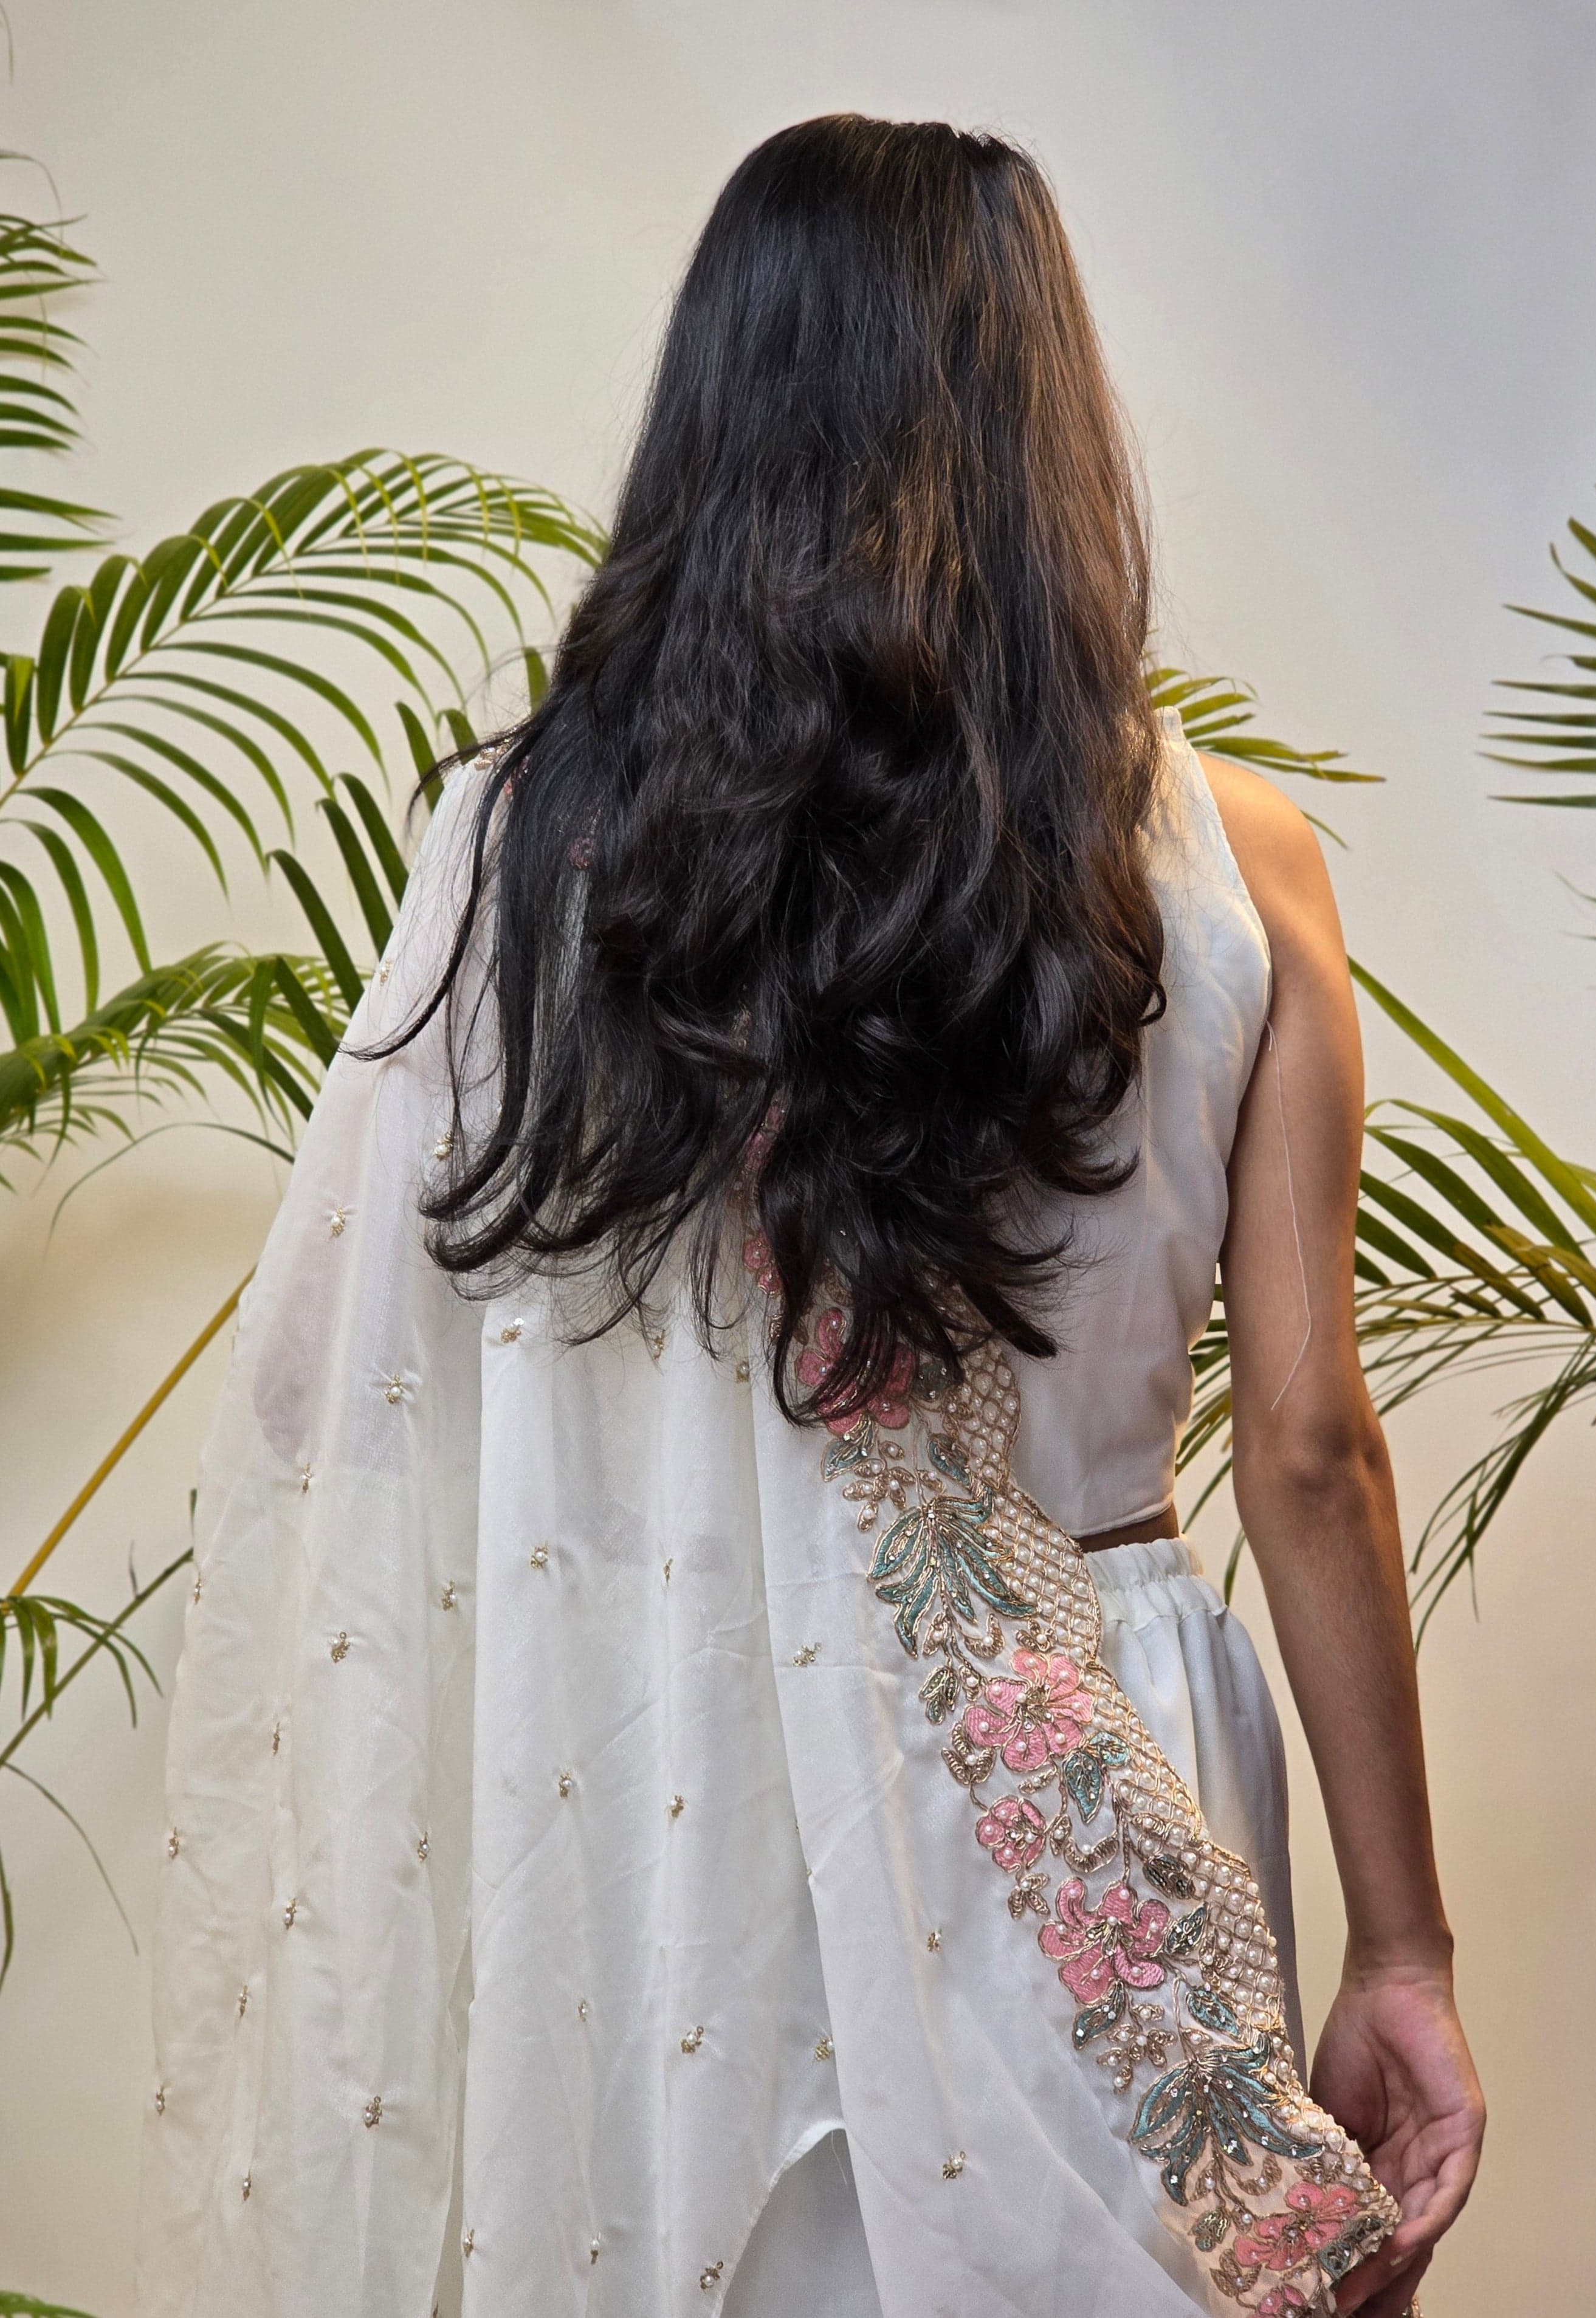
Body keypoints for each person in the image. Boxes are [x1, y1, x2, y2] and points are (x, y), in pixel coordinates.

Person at [138, 115, 1482, 2318]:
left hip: (692, 1785)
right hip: (1100, 1770)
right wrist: (1404, 1946)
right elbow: (1315, 1449)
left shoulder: (534, 856)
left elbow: (324, 1390)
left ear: (714, 409)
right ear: (1051, 418)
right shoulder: (1248, 868)